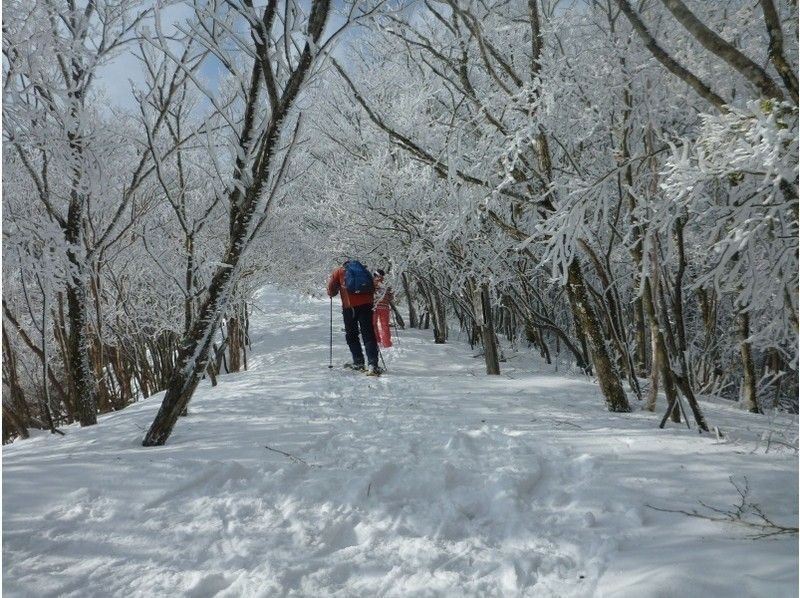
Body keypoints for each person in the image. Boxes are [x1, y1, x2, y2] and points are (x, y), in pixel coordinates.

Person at [327, 260, 381, 375]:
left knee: (352, 334)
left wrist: (332, 292)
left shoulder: (339, 271)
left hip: (349, 306)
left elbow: (331, 290)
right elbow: (372, 287)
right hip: (367, 305)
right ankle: (373, 364)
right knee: (368, 333)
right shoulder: (364, 270)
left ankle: (358, 362)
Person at [372, 269, 394, 348]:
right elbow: (391, 297)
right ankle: (387, 343)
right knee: (385, 325)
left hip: (374, 306)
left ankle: (376, 340)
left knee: (373, 324)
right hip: (385, 307)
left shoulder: (371, 282)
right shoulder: (387, 283)